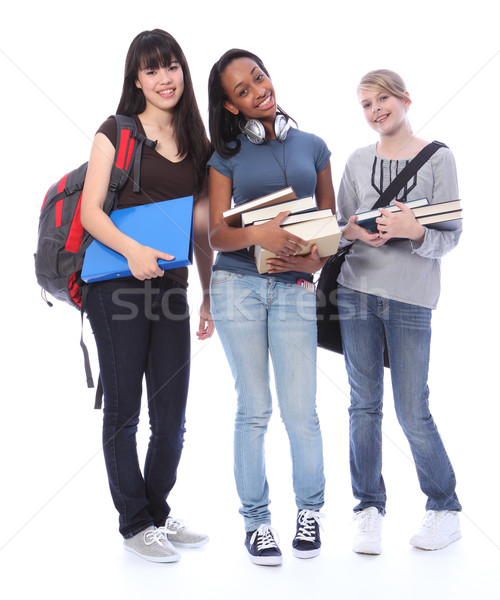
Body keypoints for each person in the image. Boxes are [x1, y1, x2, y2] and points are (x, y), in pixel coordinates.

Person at [80, 29, 214, 563]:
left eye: (172, 65)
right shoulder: (115, 131)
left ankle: (155, 512)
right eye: (152, 69)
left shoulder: (198, 145)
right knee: (124, 413)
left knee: (172, 416)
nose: (165, 78)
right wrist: (133, 251)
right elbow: (92, 211)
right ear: (137, 78)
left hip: (172, 288)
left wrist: (207, 294)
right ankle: (135, 523)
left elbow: (199, 232)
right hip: (115, 286)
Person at [207, 49, 335, 566]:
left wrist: (310, 261)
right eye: (243, 90)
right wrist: (262, 232)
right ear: (233, 107)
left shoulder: (314, 145)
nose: (258, 89)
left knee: (301, 410)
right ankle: (256, 522)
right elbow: (217, 234)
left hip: (293, 287)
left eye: (258, 77)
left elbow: (331, 224)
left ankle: (309, 511)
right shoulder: (226, 155)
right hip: (238, 284)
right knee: (253, 407)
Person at [335, 69, 462, 555]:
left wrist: (413, 232)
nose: (375, 110)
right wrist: (356, 232)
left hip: (411, 298)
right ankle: (368, 507)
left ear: (405, 99)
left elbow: (451, 236)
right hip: (355, 293)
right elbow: (342, 226)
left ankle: (444, 507)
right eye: (366, 104)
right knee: (363, 405)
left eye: (382, 99)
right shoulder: (356, 160)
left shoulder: (438, 158)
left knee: (412, 409)